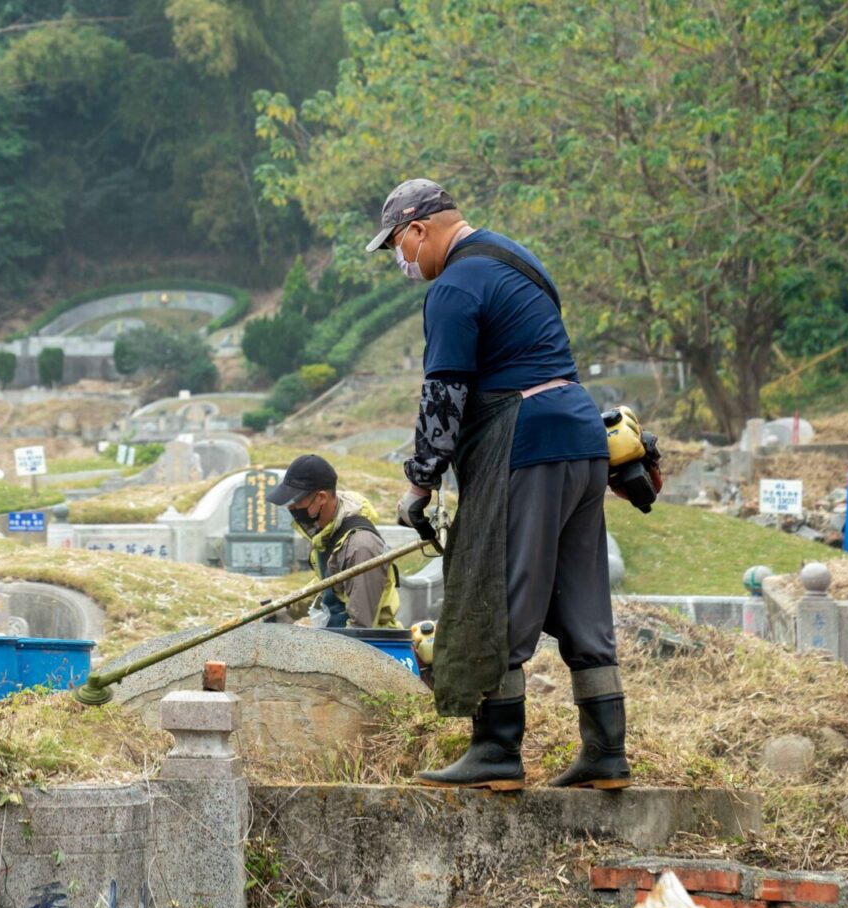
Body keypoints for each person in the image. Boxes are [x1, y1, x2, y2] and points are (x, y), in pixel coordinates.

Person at [368, 177, 628, 791]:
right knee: (582, 598)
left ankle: (496, 750)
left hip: (527, 444)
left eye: (398, 248)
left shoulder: (455, 284)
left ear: (418, 230)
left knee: (496, 591)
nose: (402, 263)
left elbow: (445, 393)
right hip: (583, 441)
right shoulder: (520, 259)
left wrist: (421, 484)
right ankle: (606, 752)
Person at [267, 453, 400, 629]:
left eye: (296, 500)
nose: (290, 507)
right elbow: (326, 583)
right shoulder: (328, 532)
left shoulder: (361, 548)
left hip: (371, 647)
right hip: (338, 637)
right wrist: (286, 612)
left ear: (321, 497)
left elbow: (361, 627)